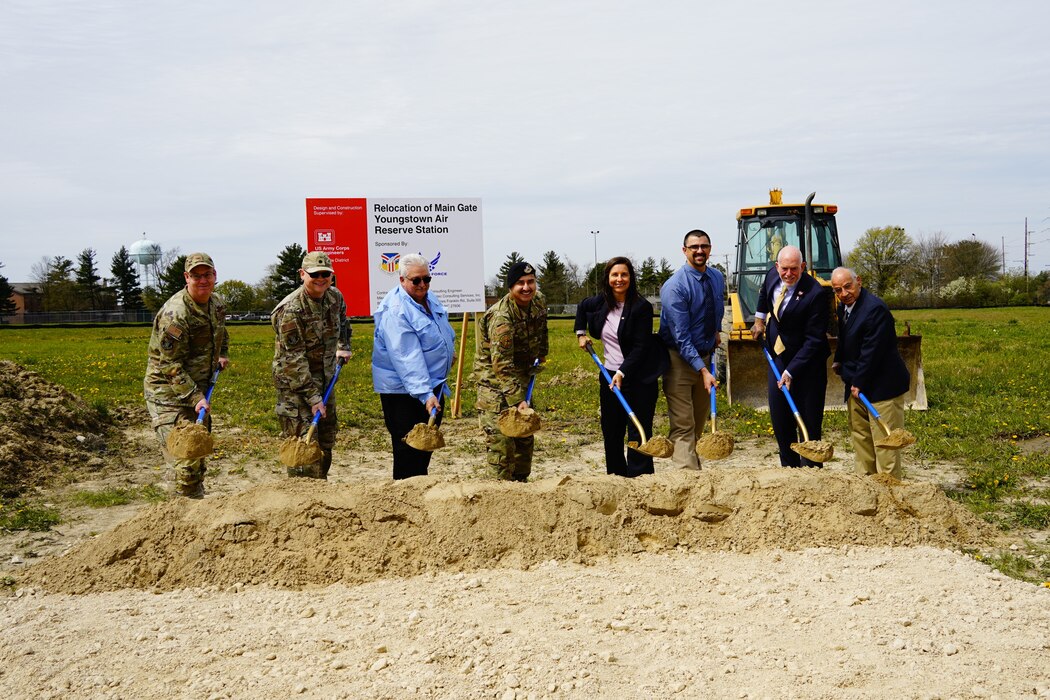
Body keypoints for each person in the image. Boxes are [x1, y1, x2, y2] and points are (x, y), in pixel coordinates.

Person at [144, 252, 229, 498]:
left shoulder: (217, 304)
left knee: (198, 453)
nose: (202, 280)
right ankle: (180, 515)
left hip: (196, 388)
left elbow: (222, 333)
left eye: (207, 275)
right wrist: (195, 397)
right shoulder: (176, 315)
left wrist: (222, 354)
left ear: (215, 275)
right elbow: (170, 365)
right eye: (196, 276)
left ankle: (194, 506)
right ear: (186, 277)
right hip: (167, 392)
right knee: (185, 457)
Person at [576, 256, 669, 477]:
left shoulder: (641, 307)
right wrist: (581, 333)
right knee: (611, 429)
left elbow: (641, 346)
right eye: (615, 275)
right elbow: (581, 307)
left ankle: (640, 479)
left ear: (631, 277)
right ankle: (616, 478)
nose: (619, 279)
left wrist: (622, 372)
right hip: (609, 375)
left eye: (624, 274)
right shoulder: (600, 302)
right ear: (608, 278)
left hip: (638, 377)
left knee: (638, 430)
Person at [372, 254, 456, 480]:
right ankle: (405, 497)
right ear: (401, 280)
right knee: (408, 448)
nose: (422, 285)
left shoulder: (429, 298)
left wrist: (450, 352)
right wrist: (425, 394)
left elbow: (442, 330)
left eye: (427, 279)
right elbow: (406, 357)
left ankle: (420, 491)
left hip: (431, 386)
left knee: (424, 446)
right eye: (416, 280)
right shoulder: (396, 310)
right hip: (404, 392)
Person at [271, 251, 352, 479]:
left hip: (325, 379)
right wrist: (313, 398)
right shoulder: (290, 310)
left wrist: (343, 345)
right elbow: (293, 360)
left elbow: (344, 322)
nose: (320, 279)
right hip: (295, 387)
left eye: (325, 274)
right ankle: (301, 498)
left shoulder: (335, 297)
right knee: (303, 449)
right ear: (302, 274)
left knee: (325, 441)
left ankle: (320, 488)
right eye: (314, 274)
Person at [750, 245, 830, 467]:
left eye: (794, 269)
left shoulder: (815, 294)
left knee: (809, 424)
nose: (788, 274)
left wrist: (790, 371)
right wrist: (758, 320)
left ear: (803, 267)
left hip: (807, 365)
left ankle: (812, 474)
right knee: (781, 422)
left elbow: (814, 340)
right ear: (777, 267)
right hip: (778, 357)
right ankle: (789, 473)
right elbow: (764, 295)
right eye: (784, 268)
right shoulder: (771, 276)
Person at [830, 267, 910, 478]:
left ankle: (890, 497)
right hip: (858, 385)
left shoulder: (875, 309)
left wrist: (858, 382)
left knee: (885, 445)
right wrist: (839, 359)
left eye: (847, 287)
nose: (844, 293)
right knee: (862, 440)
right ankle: (866, 489)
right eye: (838, 290)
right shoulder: (844, 307)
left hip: (882, 387)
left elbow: (872, 351)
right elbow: (845, 337)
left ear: (859, 281)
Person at [474, 261, 548, 481]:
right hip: (495, 386)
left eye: (530, 282)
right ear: (510, 288)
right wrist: (517, 401)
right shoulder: (501, 318)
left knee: (524, 439)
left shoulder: (538, 300)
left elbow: (542, 327)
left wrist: (542, 352)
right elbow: (502, 365)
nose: (526, 287)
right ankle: (499, 494)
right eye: (520, 283)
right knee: (502, 444)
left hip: (521, 379)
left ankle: (520, 488)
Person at [658, 230, 725, 469]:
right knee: (683, 425)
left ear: (709, 248)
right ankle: (687, 481)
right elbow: (681, 337)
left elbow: (716, 308)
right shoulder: (675, 287)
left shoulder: (717, 277)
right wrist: (703, 371)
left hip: (705, 358)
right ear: (684, 250)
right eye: (694, 246)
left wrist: (715, 331)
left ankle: (691, 472)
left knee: (697, 424)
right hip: (679, 361)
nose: (699, 251)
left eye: (704, 246)